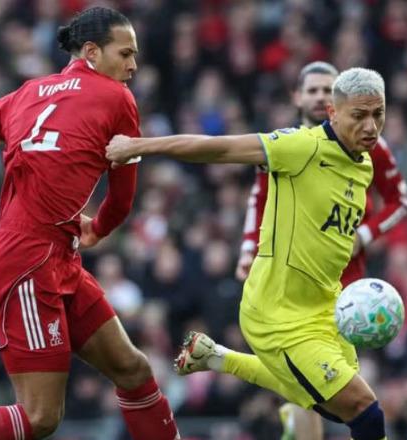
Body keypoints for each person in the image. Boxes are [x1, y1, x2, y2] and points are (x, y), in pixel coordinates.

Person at [0, 7, 179, 440]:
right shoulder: (118, 99)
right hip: (27, 263)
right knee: (41, 417)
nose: (134, 65)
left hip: (51, 258)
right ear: (93, 51)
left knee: (132, 368)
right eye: (126, 54)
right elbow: (122, 199)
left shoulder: (23, 94)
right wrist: (99, 227)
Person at [107, 67, 390, 440]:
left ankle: (217, 357)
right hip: (279, 314)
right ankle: (221, 358)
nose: (371, 126)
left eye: (378, 114)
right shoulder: (300, 147)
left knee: (336, 412)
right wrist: (137, 146)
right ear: (333, 113)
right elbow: (218, 147)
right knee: (366, 413)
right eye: (359, 115)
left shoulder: (364, 163)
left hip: (325, 306)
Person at [235, 61, 407, 440]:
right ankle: (296, 420)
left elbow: (401, 203)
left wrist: (364, 235)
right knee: (331, 387)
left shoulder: (370, 142)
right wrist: (249, 249)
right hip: (293, 279)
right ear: (297, 97)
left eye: (326, 89)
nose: (318, 96)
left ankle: (231, 368)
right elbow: (259, 198)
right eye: (311, 90)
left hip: (346, 279)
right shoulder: (289, 145)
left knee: (343, 389)